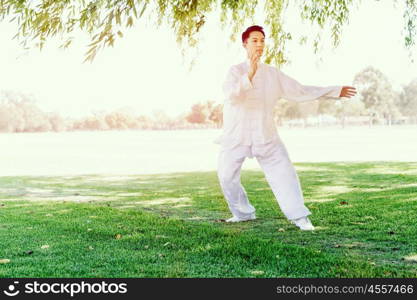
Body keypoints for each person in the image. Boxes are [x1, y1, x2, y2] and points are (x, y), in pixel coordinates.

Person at [215, 25, 356, 230]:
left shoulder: (273, 74)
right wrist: (251, 74)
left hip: (266, 135)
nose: (259, 44)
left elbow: (300, 91)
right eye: (254, 40)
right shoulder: (234, 71)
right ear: (245, 44)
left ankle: (300, 217)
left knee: (284, 174)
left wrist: (334, 91)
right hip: (236, 135)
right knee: (226, 177)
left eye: (262, 40)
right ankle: (243, 213)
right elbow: (233, 96)